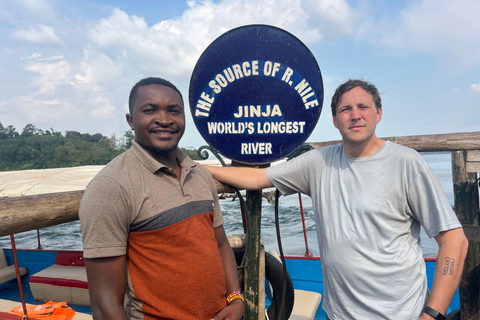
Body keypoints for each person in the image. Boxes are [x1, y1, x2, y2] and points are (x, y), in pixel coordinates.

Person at [206, 79, 468, 320]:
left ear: (378, 113)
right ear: (334, 119)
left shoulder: (406, 162)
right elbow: (257, 178)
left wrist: (433, 314)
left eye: (363, 107)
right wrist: (198, 168)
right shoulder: (318, 162)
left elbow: (454, 240)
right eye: (346, 109)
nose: (355, 115)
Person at [79, 77, 244, 320]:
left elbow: (220, 244)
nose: (164, 120)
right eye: (150, 110)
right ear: (131, 121)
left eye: (174, 111)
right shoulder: (111, 187)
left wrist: (236, 299)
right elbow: (105, 307)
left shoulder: (200, 175)